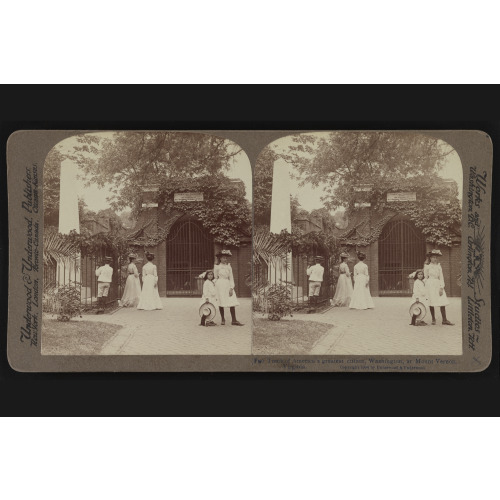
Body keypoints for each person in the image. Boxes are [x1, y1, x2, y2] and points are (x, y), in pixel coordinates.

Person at [214, 249, 244, 326]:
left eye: (226, 258)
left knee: (231, 301)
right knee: (221, 301)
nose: (225, 259)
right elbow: (215, 277)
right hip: (220, 285)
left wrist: (231, 288)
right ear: (220, 258)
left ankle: (234, 320)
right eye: (223, 258)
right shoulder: (217, 267)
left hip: (227, 284)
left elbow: (231, 278)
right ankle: (223, 318)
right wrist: (214, 284)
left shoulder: (228, 267)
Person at [424, 249, 454, 325]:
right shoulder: (427, 267)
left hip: (437, 284)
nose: (435, 259)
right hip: (430, 284)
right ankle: (433, 319)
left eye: (436, 257)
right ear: (430, 258)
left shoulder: (439, 266)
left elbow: (441, 277)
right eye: (433, 257)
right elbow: (425, 277)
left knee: (442, 301)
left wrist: (441, 287)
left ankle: (444, 319)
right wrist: (425, 285)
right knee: (431, 301)